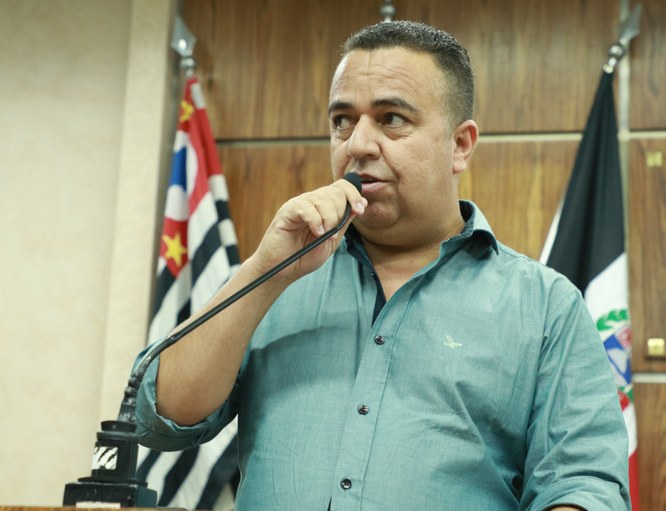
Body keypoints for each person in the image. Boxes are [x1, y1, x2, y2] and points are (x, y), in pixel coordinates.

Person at [135, 20, 631, 511]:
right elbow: (161, 418)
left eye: (391, 118)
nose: (357, 145)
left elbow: (583, 486)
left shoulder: (545, 307)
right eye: (342, 120)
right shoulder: (274, 277)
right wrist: (265, 271)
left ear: (460, 145)